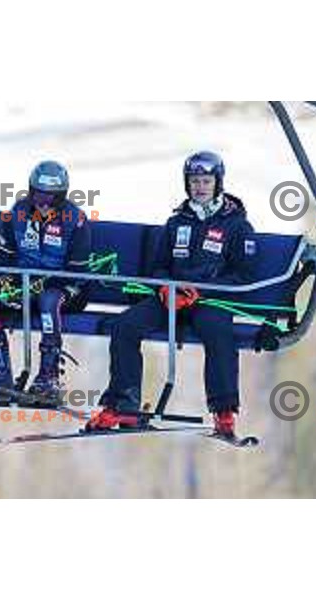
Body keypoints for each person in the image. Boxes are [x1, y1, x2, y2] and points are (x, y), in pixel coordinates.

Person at [87, 151, 256, 438]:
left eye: (205, 181)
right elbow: (159, 266)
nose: (200, 187)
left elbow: (243, 275)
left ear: (218, 183)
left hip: (209, 300)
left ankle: (224, 412)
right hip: (171, 299)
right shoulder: (177, 223)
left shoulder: (236, 226)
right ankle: (123, 406)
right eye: (194, 181)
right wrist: (165, 287)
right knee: (125, 325)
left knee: (218, 330)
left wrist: (199, 291)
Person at [0, 160, 91, 403]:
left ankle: (49, 376)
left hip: (61, 292)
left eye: (50, 199)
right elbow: (4, 259)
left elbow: (79, 273)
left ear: (61, 197)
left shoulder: (74, 220)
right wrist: (7, 283)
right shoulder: (19, 212)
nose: (43, 204)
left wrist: (49, 285)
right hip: (21, 287)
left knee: (48, 299)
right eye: (38, 196)